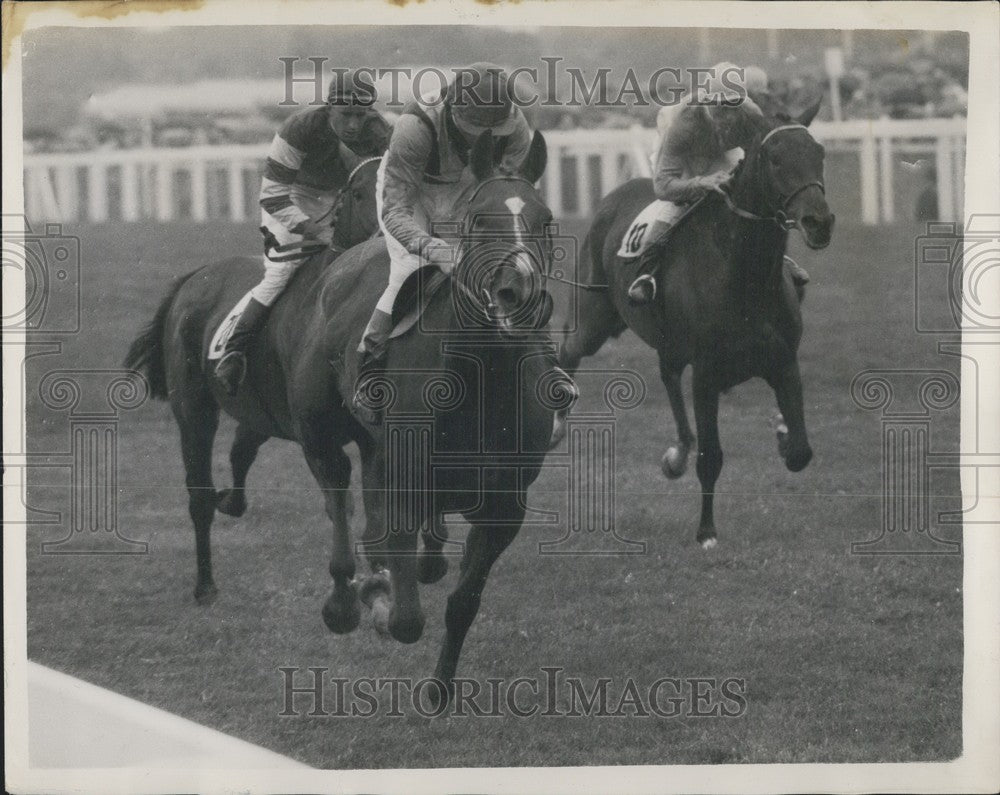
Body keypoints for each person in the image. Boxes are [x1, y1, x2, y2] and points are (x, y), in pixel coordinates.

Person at [352, 62, 533, 416]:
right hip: (412, 193)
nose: (487, 140)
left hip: (470, 191)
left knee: (506, 266)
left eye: (495, 131)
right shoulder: (414, 129)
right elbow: (395, 213)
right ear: (453, 111)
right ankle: (369, 367)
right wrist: (437, 248)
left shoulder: (516, 127)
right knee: (410, 268)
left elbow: (508, 193)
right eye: (477, 130)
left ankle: (541, 361)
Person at [214, 71, 391, 395]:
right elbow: (272, 195)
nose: (353, 125)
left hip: (341, 197)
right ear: (328, 109)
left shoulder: (381, 130)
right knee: (282, 272)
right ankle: (234, 350)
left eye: (360, 116)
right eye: (345, 115)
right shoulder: (299, 129)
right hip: (290, 198)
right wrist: (315, 231)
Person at [629, 64, 808, 304]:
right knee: (676, 206)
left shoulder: (751, 114)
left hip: (722, 149)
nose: (726, 116)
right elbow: (662, 186)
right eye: (719, 107)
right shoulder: (683, 125)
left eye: (732, 107)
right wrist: (702, 183)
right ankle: (646, 274)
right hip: (685, 155)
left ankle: (780, 259)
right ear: (705, 102)